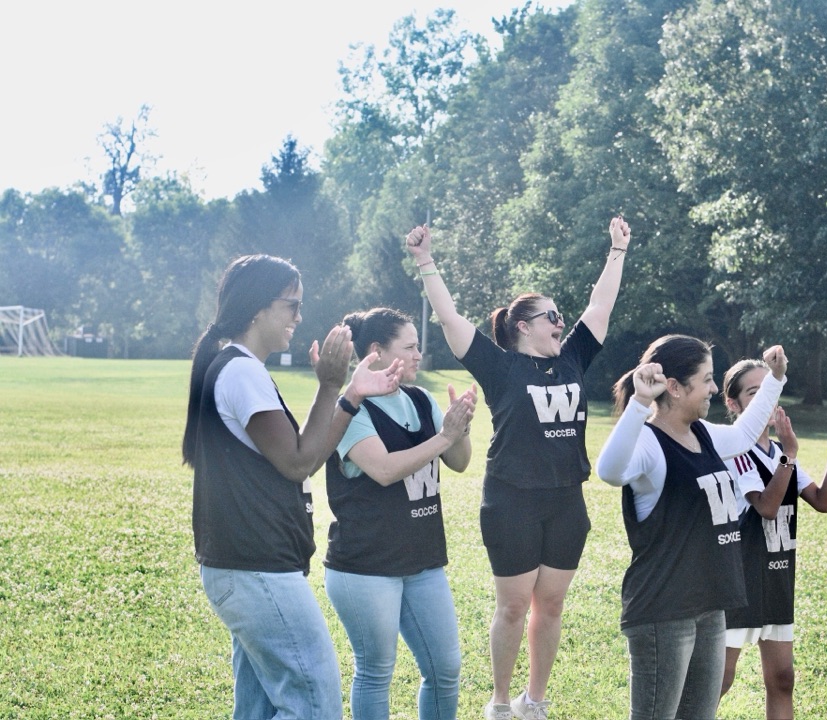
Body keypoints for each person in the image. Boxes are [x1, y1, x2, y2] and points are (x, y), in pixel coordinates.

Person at [405, 217, 632, 720]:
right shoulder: (500, 365)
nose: (561, 322)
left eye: (560, 316)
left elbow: (601, 306)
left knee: (550, 605)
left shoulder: (572, 356)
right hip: (512, 500)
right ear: (523, 326)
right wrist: (425, 260)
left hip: (566, 499)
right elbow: (449, 320)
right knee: (512, 606)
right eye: (551, 316)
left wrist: (616, 251)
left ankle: (536, 700)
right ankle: (502, 702)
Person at [181, 253, 403, 719]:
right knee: (315, 702)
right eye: (292, 305)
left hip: (246, 566)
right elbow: (298, 462)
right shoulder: (240, 371)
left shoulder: (237, 368)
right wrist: (328, 385)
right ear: (258, 308)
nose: (299, 318)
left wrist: (350, 395)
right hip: (255, 567)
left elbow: (310, 453)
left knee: (260, 710)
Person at [595, 335, 788, 720]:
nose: (715, 389)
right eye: (707, 380)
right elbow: (610, 471)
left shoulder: (704, 434)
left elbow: (744, 434)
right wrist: (639, 403)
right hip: (665, 610)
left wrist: (776, 379)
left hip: (709, 605)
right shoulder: (650, 443)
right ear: (675, 387)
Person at [323, 307, 478, 720]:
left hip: (423, 560)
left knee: (445, 670)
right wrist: (443, 436)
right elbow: (385, 470)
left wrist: (458, 429)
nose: (418, 355)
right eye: (409, 346)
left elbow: (459, 462)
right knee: (376, 672)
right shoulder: (351, 411)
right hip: (366, 566)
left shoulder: (419, 398)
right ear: (376, 351)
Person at [718, 359, 827, 719]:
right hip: (740, 577)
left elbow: (822, 501)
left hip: (776, 575)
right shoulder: (736, 450)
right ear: (733, 404)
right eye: (754, 392)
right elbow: (767, 507)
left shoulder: (779, 454)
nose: (765, 399)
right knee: (719, 678)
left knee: (782, 678)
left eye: (768, 390)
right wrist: (790, 455)